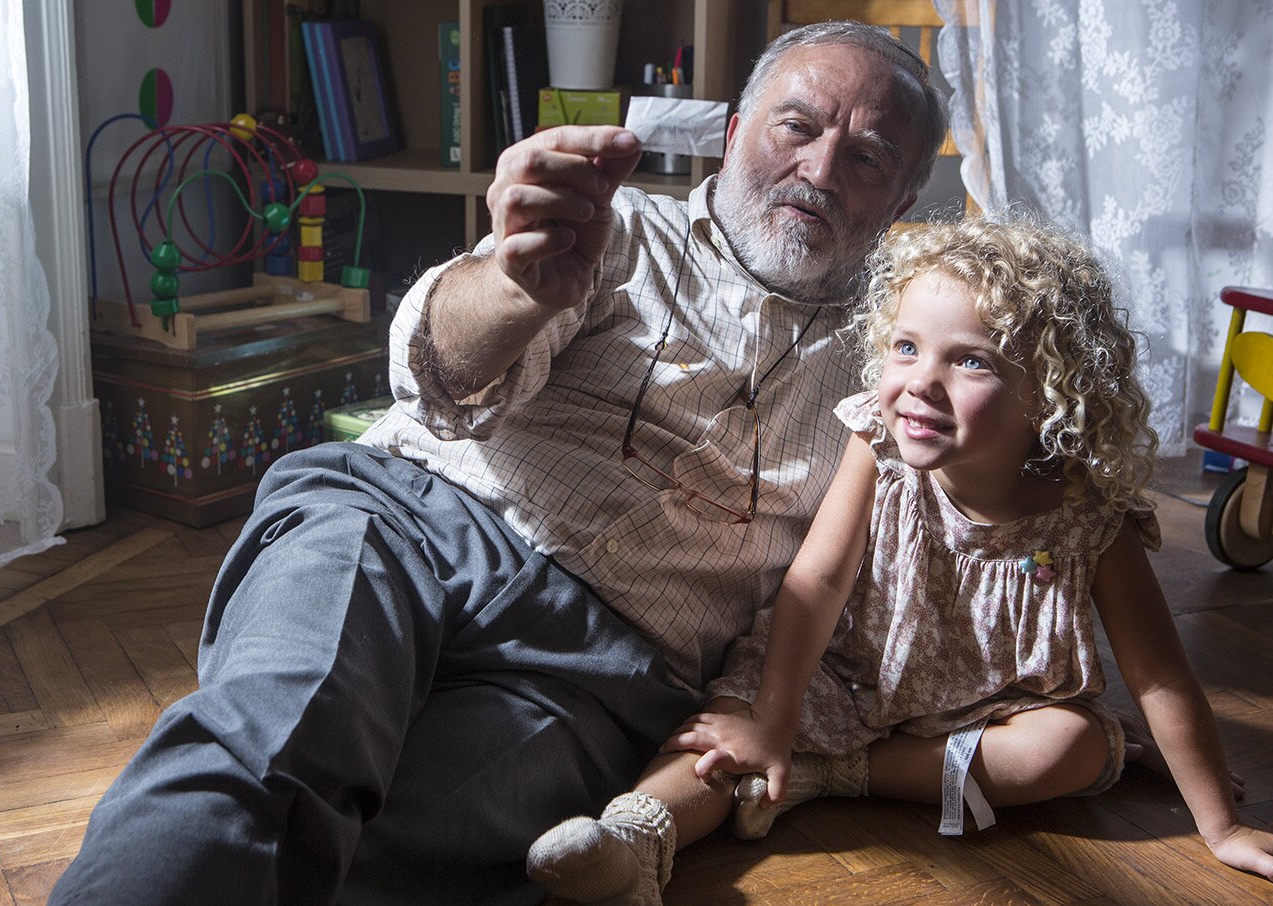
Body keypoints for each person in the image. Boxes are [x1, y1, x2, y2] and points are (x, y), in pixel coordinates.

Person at [49, 21, 946, 905]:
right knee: (276, 744)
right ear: (734, 132)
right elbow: (437, 375)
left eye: (868, 158)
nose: (820, 170)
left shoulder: (899, 358)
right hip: (406, 522)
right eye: (798, 126)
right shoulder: (615, 226)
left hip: (606, 670)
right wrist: (513, 291)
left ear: (902, 203)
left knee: (396, 854)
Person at [526, 216, 1273, 904]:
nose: (919, 381)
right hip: (842, 674)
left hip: (984, 713)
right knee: (730, 733)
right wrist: (777, 720)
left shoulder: (1088, 516)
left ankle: (829, 776)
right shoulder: (878, 448)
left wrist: (1220, 827)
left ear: (1049, 395)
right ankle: (630, 842)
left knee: (1073, 747)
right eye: (907, 347)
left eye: (970, 362)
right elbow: (816, 582)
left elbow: (1161, 678)